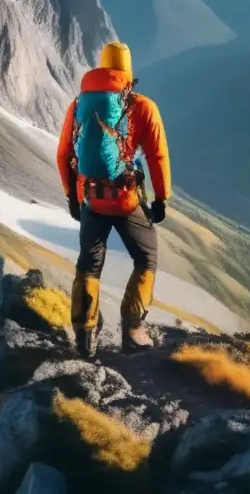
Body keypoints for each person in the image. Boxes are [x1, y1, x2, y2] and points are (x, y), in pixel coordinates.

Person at [56, 41, 171, 357]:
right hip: (125, 199)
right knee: (146, 257)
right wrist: (161, 198)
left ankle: (84, 335)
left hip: (90, 200)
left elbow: (64, 153)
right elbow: (157, 155)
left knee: (89, 262)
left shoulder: (78, 104)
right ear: (128, 70)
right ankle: (133, 331)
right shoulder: (141, 106)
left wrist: (71, 196)